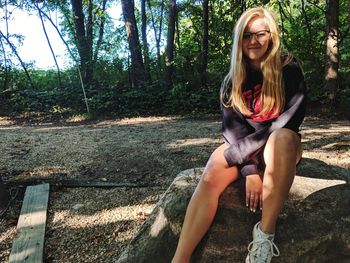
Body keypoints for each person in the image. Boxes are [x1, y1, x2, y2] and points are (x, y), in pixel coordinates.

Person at [172, 6, 306, 263]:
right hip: (245, 149)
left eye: (260, 34)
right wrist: (250, 171)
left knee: (283, 138)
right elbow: (232, 131)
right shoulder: (232, 79)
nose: (253, 41)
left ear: (271, 36)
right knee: (213, 168)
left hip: (280, 148)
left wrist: (248, 161)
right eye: (246, 35)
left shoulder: (288, 68)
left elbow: (289, 120)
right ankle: (181, 258)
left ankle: (264, 238)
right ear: (238, 40)